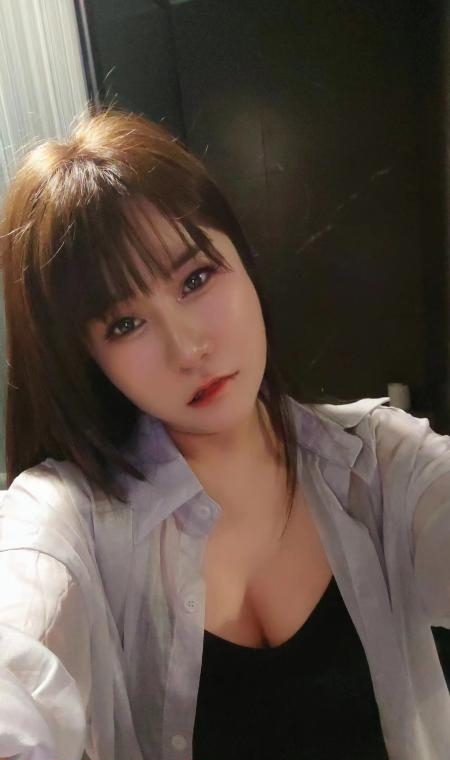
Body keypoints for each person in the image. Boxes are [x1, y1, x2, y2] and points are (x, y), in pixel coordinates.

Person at [0, 107, 449, 760]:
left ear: (243, 257)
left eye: (196, 278)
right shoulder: (72, 518)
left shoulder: (379, 464)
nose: (188, 349)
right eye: (125, 324)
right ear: (87, 359)